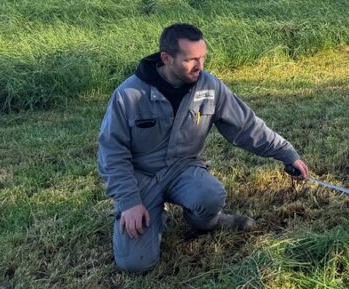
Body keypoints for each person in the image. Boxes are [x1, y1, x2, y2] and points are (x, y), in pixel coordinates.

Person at [98, 22, 309, 273]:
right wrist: (129, 201)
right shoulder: (128, 94)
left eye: (203, 57)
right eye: (191, 60)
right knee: (135, 264)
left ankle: (208, 222)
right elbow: (112, 154)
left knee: (211, 195)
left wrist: (287, 154)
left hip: (183, 169)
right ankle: (152, 214)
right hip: (141, 177)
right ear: (166, 58)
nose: (200, 66)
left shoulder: (209, 86)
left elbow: (246, 127)